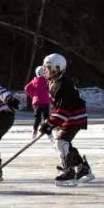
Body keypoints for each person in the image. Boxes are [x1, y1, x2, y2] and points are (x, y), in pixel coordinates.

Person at [38, 53, 93, 186]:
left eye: (49, 68)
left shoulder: (63, 85)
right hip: (69, 116)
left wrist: (49, 123)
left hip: (74, 117)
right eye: (45, 67)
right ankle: (82, 168)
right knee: (64, 143)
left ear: (58, 68)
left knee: (61, 142)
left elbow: (63, 109)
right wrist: (50, 122)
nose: (46, 70)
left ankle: (69, 172)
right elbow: (59, 108)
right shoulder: (54, 82)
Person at [24, 66, 51, 138]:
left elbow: (26, 88)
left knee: (37, 118)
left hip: (36, 102)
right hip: (45, 101)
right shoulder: (47, 80)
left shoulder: (34, 80)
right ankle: (48, 131)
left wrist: (34, 95)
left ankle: (34, 130)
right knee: (46, 117)